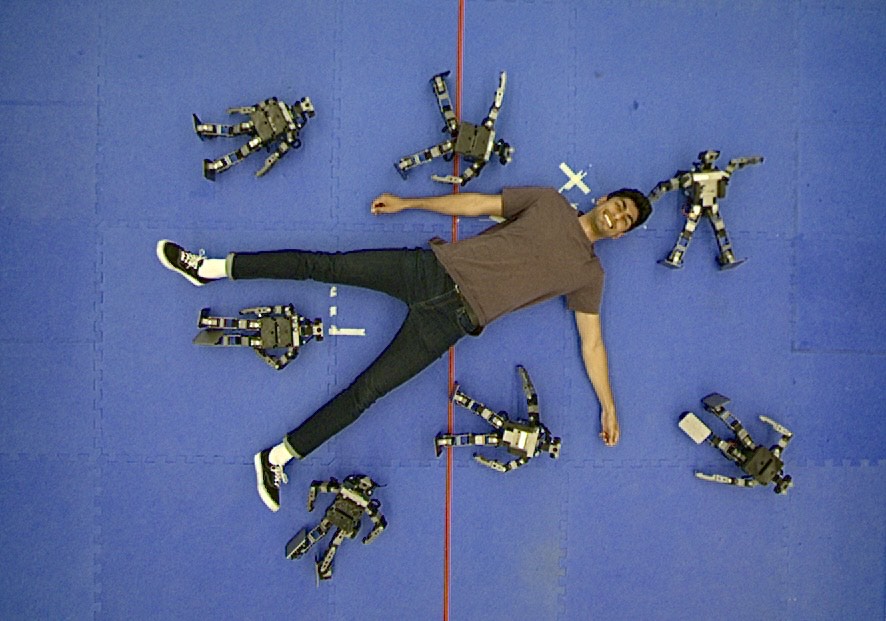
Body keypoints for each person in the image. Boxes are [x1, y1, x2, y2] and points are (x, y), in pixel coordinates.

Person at [157, 187, 652, 511]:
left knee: (368, 391)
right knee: (323, 266)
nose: (616, 218)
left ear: (621, 232)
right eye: (619, 207)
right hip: (429, 270)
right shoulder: (547, 201)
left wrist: (608, 404)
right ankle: (211, 269)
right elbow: (478, 204)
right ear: (606, 198)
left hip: (451, 323)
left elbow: (592, 341)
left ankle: (279, 457)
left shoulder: (589, 275)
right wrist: (411, 204)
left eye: (625, 221)